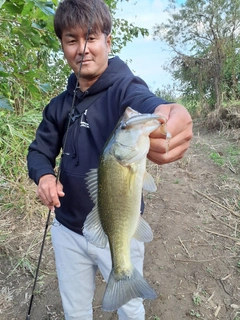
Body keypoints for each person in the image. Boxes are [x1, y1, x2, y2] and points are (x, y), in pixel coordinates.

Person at [27, 0, 193, 319]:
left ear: (107, 41)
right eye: (71, 40)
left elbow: (147, 104)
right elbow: (39, 151)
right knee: (75, 309)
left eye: (91, 38)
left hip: (121, 231)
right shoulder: (59, 105)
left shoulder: (124, 91)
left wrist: (169, 114)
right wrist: (44, 176)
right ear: (62, 46)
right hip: (67, 229)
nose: (82, 49)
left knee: (130, 307)